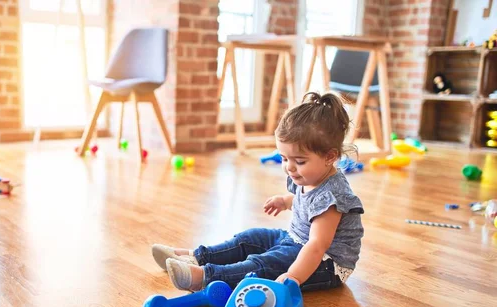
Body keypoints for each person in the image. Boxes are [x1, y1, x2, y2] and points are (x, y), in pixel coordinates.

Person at [152, 92, 364, 292]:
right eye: (284, 158)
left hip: (325, 264)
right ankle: (195, 257)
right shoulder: (308, 175)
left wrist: (294, 276)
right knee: (251, 238)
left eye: (299, 161)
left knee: (265, 263)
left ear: (330, 157)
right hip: (297, 240)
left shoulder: (332, 197)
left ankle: (204, 277)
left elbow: (317, 245)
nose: (289, 167)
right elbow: (307, 203)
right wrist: (286, 201)